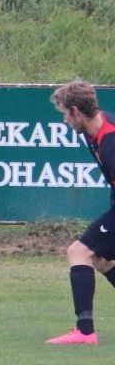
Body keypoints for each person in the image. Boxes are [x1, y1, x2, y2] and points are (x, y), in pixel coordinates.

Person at [46, 80, 115, 345]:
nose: (64, 120)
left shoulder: (110, 142)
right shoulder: (94, 130)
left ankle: (85, 332)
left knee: (79, 252)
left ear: (76, 111)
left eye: (65, 113)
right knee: (101, 259)